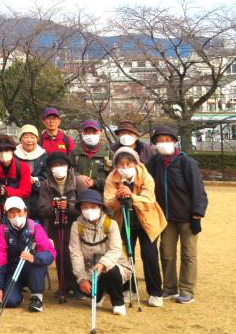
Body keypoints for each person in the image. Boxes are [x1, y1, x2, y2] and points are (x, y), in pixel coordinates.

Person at [146, 125, 208, 304]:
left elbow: (198, 190)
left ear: (174, 141)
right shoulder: (155, 162)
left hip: (187, 218)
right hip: (166, 218)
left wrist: (197, 215)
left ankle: (187, 289)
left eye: (167, 140)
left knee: (188, 254)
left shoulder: (186, 162)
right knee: (166, 253)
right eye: (160, 140)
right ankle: (169, 287)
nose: (163, 143)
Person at [104, 146, 166, 307]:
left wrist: (132, 196)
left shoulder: (145, 175)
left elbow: (149, 200)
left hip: (146, 221)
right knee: (124, 255)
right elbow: (108, 202)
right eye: (121, 164)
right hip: (123, 221)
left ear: (135, 163)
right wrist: (118, 197)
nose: (125, 168)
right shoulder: (112, 177)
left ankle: (155, 292)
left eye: (128, 164)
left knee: (150, 255)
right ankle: (127, 288)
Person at [69, 189, 131, 316]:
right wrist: (82, 279)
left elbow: (115, 250)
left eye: (93, 206)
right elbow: (75, 254)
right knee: (75, 283)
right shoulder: (76, 226)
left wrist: (102, 264)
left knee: (111, 272)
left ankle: (118, 302)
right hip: (89, 270)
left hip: (112, 266)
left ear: (101, 207)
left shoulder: (111, 224)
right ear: (80, 209)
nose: (89, 210)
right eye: (85, 207)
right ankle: (99, 295)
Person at [0, 196, 56, 312]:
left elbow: (50, 253)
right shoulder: (2, 230)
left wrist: (34, 258)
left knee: (37, 264)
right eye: (11, 212)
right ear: (6, 214)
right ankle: (15, 293)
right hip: (13, 271)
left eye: (19, 212)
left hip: (31, 268)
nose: (16, 216)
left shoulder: (35, 228)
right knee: (9, 301)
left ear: (25, 212)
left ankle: (36, 297)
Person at [36, 151, 86, 299]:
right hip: (54, 225)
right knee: (61, 254)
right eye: (54, 165)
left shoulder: (78, 182)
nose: (58, 168)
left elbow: (85, 205)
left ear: (68, 167)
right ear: (50, 168)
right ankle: (63, 286)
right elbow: (41, 209)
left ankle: (78, 286)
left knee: (75, 254)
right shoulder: (45, 185)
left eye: (62, 165)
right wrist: (54, 206)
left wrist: (69, 206)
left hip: (75, 225)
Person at [0, 136, 32, 230]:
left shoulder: (23, 167)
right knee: (0, 239)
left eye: (7, 149)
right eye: (0, 150)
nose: (3, 153)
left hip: (18, 212)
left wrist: (7, 191)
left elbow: (26, 191)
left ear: (12, 150)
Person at [70, 119, 112, 193]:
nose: (90, 135)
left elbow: (114, 179)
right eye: (87, 132)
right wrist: (79, 178)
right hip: (79, 194)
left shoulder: (109, 154)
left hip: (101, 195)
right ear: (82, 133)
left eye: (94, 132)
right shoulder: (74, 152)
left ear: (100, 133)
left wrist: (95, 182)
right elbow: (68, 171)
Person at [14, 124, 47, 214]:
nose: (29, 140)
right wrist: (24, 179)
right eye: (25, 137)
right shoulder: (13, 154)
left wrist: (35, 180)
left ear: (37, 139)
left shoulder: (43, 155)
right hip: (18, 196)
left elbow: (47, 177)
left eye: (32, 137)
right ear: (20, 139)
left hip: (37, 196)